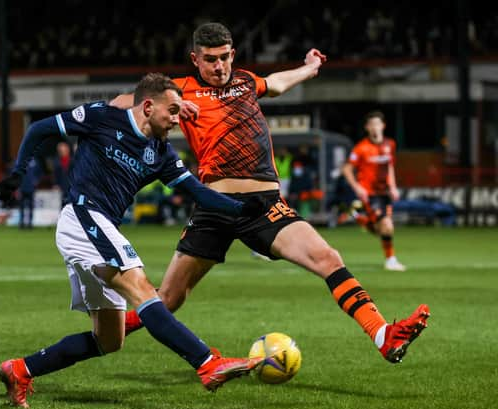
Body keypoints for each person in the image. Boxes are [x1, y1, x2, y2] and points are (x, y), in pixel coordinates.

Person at [113, 22, 429, 364]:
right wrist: (168, 108)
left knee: (328, 258)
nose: (218, 67)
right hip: (214, 207)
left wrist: (309, 68)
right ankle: (108, 332)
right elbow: (120, 103)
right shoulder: (181, 91)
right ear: (195, 60)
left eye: (223, 58)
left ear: (232, 54)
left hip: (264, 208)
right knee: (169, 298)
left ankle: (383, 334)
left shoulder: (247, 82)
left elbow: (276, 83)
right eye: (209, 60)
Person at [0, 73, 269, 409]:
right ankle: (207, 363)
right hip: (83, 216)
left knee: (109, 340)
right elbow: (39, 129)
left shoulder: (162, 153)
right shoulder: (102, 117)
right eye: (172, 111)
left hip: (98, 227)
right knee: (142, 288)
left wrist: (243, 208)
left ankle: (20, 370)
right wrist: (18, 173)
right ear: (149, 106)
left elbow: (197, 192)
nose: (176, 119)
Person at [342, 110, 406, 271]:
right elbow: (347, 169)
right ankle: (391, 260)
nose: (375, 127)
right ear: (367, 128)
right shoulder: (361, 148)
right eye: (371, 124)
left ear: (383, 126)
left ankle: (358, 217)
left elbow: (389, 166)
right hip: (370, 194)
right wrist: (358, 187)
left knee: (381, 229)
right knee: (387, 225)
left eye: (377, 124)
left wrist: (393, 187)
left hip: (385, 193)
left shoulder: (389, 144)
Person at [18, 157, 42, 229]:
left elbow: (39, 173)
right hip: (22, 187)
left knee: (30, 206)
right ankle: (21, 223)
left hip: (31, 188)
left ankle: (30, 223)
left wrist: (36, 181)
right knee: (21, 206)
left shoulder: (35, 162)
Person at [53, 141, 73, 208]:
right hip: (62, 185)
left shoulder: (73, 160)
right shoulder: (57, 161)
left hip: (72, 185)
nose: (62, 151)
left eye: (64, 149)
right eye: (60, 150)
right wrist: (56, 184)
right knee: (64, 202)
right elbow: (55, 174)